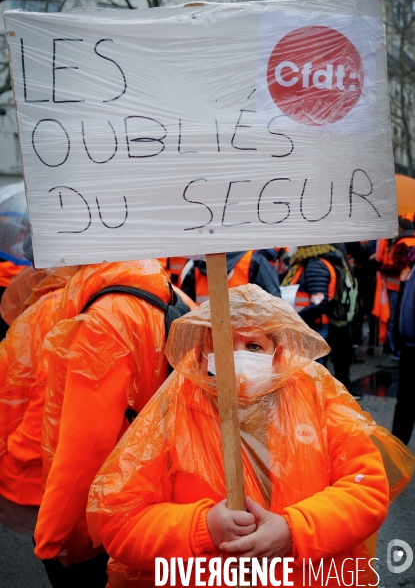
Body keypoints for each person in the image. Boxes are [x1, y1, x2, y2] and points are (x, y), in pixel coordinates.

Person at [87, 284, 414, 588]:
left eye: (254, 345)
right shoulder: (174, 406)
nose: (237, 358)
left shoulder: (315, 393)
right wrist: (202, 528)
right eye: (224, 344)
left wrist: (294, 530)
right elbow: (119, 519)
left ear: (277, 351)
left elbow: (367, 488)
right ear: (202, 351)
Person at [34, 259, 189, 588]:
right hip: (169, 497)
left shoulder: (107, 318)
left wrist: (52, 534)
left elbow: (87, 445)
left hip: (109, 513)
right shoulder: (176, 296)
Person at [0, 264, 79, 537]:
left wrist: (15, 460)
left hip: (38, 477)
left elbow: (46, 404)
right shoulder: (165, 296)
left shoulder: (55, 308)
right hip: (72, 479)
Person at [282, 244, 359, 399]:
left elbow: (320, 302)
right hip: (312, 325)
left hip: (314, 325)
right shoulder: (312, 263)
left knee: (314, 375)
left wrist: (294, 319)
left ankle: (316, 405)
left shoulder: (315, 265)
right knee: (315, 373)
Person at [371, 218, 415, 359]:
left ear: (400, 229)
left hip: (395, 288)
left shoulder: (401, 244)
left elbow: (397, 268)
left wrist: (379, 266)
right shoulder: (411, 241)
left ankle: (396, 350)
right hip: (405, 289)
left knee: (395, 320)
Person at [181, 251, 281, 304]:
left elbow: (184, 308)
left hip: (206, 337)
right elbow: (276, 306)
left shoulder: (194, 266)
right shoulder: (254, 261)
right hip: (247, 339)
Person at [392, 247, 415, 445]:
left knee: (407, 404)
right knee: (405, 404)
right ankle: (396, 452)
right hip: (409, 348)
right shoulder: (411, 261)